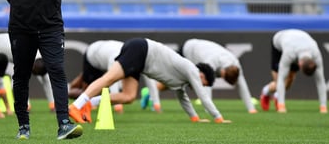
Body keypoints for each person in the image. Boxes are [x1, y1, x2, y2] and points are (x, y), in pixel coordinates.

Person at [2, 0, 82, 140]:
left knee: (57, 71)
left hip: (51, 26)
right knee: (21, 75)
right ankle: (23, 126)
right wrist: (24, 10)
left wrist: (47, 9)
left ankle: (64, 124)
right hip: (21, 27)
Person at [69, 37, 232, 125]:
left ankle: (89, 103)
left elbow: (184, 99)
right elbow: (203, 96)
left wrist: (195, 118)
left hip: (141, 61)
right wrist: (218, 118)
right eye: (204, 83)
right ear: (202, 75)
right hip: (141, 49)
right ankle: (76, 106)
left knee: (128, 96)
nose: (200, 86)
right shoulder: (191, 70)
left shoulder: (181, 81)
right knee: (109, 78)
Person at [67, 40, 161, 115]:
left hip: (103, 54)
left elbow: (149, 78)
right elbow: (110, 80)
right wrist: (118, 106)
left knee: (94, 91)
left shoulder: (138, 58)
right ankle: (67, 94)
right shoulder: (117, 57)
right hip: (92, 56)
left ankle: (84, 98)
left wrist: (156, 104)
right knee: (86, 91)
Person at [181, 38, 258, 114]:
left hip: (199, 54)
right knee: (175, 78)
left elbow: (242, 86)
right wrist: (209, 110)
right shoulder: (212, 61)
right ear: (223, 72)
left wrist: (251, 109)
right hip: (188, 49)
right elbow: (207, 85)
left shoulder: (236, 64)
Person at [260, 29, 327, 113]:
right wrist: (282, 106)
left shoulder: (316, 54)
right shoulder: (289, 54)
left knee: (289, 80)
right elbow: (281, 78)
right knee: (278, 81)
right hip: (279, 43)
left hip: (297, 42)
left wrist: (323, 107)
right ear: (299, 65)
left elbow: (320, 81)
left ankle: (277, 96)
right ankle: (266, 92)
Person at [0, 32, 55, 112]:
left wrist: (53, 105)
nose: (33, 74)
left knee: (46, 78)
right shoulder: (23, 55)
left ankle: (53, 104)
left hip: (9, 48)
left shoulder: (41, 56)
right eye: (34, 72)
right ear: (32, 65)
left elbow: (47, 80)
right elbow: (17, 82)